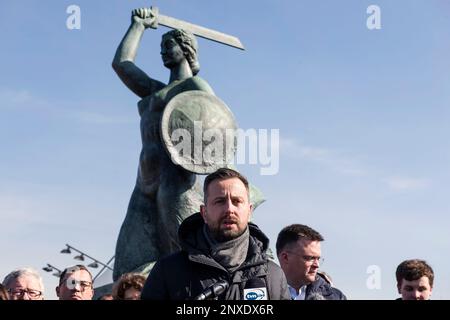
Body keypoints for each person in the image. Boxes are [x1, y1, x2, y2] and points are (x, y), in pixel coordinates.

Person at [111, 7, 215, 280]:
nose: (163, 51)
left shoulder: (196, 86)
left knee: (194, 263)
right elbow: (122, 64)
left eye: (169, 45)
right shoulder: (154, 90)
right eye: (162, 46)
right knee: (129, 269)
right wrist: (138, 26)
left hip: (177, 186)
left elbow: (216, 134)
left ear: (186, 48)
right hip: (144, 186)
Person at [141, 168, 290, 300]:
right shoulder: (168, 271)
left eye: (237, 201)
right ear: (204, 213)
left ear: (249, 211)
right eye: (220, 201)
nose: (229, 209)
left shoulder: (273, 276)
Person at [276, 224, 346, 300]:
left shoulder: (336, 297)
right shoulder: (263, 292)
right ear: (285, 257)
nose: (317, 265)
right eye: (310, 258)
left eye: (318, 259)